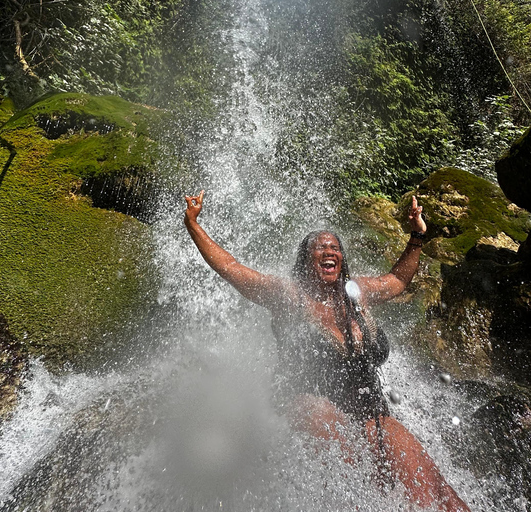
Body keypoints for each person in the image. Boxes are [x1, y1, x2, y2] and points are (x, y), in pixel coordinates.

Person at [184, 190, 470, 512]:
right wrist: (193, 224)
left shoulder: (357, 293)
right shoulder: (288, 296)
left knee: (434, 489)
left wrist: (417, 236)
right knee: (337, 442)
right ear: (307, 259)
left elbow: (398, 279)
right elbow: (231, 267)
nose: (329, 250)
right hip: (309, 404)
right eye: (320, 247)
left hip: (369, 410)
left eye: (334, 247)